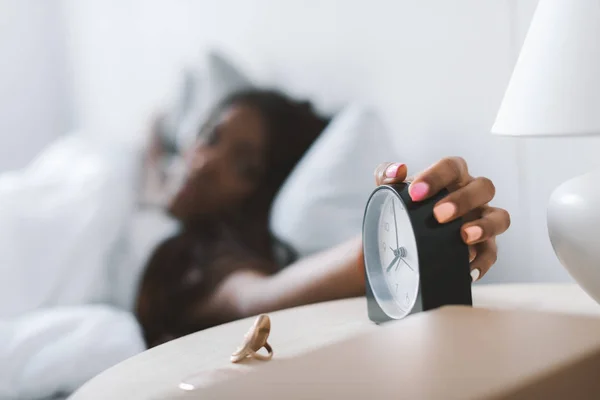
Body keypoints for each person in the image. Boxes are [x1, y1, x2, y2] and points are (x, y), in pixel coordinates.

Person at [134, 89, 511, 348]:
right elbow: (156, 178)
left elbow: (257, 298)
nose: (203, 163)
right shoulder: (160, 190)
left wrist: (402, 227)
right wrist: (153, 134)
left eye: (245, 167)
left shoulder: (202, 258)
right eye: (210, 136)